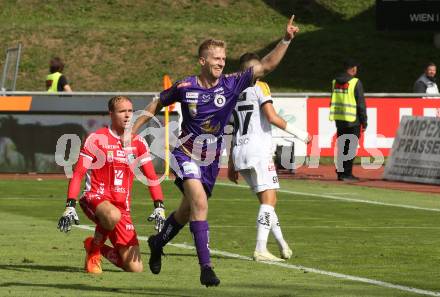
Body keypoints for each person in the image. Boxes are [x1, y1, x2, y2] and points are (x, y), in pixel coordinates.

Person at [131, 15, 299, 287]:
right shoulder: (186, 86)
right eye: (216, 58)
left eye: (223, 58)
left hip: (210, 160)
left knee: (186, 212)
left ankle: (158, 241)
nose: (221, 62)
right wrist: (131, 133)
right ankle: (206, 268)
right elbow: (155, 104)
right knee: (200, 203)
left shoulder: (232, 83)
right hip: (185, 153)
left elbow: (266, 66)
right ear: (202, 61)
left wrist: (286, 40)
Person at [57, 95, 166, 274]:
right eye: (122, 111)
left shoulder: (138, 143)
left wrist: (159, 206)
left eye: (130, 111)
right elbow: (78, 173)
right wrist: (70, 205)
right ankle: (94, 252)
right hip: (94, 198)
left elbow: (152, 176)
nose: (127, 115)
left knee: (135, 268)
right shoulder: (96, 138)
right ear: (111, 114)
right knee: (112, 215)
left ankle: (92, 244)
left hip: (122, 208)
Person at [227, 52, 310, 262]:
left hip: (239, 151)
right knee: (269, 201)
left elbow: (232, 128)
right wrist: (301, 134)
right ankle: (261, 248)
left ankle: (282, 245)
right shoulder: (260, 86)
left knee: (267, 201)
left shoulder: (233, 92)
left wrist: (230, 162)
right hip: (257, 151)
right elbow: (272, 117)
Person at [329, 59, 367, 181]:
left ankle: (340, 172)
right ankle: (347, 174)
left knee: (342, 146)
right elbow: (360, 103)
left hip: (339, 119)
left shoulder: (335, 81)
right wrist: (364, 121)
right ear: (353, 68)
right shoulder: (355, 82)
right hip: (353, 119)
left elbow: (332, 99)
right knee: (350, 147)